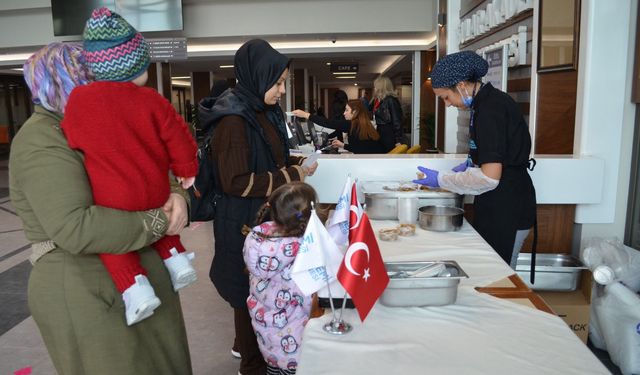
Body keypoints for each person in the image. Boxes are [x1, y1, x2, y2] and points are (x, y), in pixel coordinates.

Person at [10, 42, 192, 375]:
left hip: (133, 272)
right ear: (67, 81)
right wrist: (157, 220)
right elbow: (75, 227)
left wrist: (178, 193)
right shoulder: (41, 140)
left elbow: (156, 163)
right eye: (92, 77)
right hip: (87, 288)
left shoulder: (101, 117)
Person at [61, 7, 199, 326]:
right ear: (136, 63)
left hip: (113, 196)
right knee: (163, 215)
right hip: (154, 188)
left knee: (114, 247)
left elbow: (72, 137)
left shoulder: (79, 101)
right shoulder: (151, 100)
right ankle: (178, 261)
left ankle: (136, 291)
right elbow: (179, 137)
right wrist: (185, 168)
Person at [198, 38, 318, 375]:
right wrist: (293, 173)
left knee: (264, 293)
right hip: (241, 222)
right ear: (258, 76)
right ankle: (252, 364)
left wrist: (295, 161)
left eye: (283, 82)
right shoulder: (233, 121)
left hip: (261, 219)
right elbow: (235, 181)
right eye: (278, 83)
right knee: (247, 295)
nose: (282, 90)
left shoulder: (261, 112)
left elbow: (269, 157)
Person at [413, 50, 536, 267]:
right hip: (499, 203)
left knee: (500, 275)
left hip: (507, 207)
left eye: (446, 97)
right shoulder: (485, 104)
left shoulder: (490, 110)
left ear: (461, 85)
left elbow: (489, 178)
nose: (447, 104)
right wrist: (471, 164)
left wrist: (442, 179)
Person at [243, 181, 317, 375]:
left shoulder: (258, 241)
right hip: (296, 345)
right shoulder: (301, 257)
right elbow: (310, 305)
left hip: (269, 340)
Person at [292, 99, 385, 154]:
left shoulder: (352, 124)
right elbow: (360, 147)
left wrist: (305, 115)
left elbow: (328, 123)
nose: (344, 113)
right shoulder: (363, 124)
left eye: (347, 110)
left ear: (355, 112)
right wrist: (343, 145)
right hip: (376, 158)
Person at [372, 76, 404, 151]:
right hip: (380, 132)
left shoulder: (391, 100)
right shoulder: (379, 100)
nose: (374, 88)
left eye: (376, 86)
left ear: (381, 87)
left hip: (388, 134)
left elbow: (397, 121)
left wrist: (398, 140)